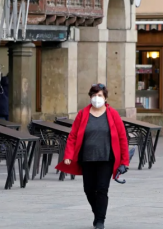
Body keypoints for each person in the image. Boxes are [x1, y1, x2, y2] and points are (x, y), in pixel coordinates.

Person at [55, 83, 129, 229]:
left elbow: (122, 138)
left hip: (106, 159)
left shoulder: (113, 114)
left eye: (100, 95)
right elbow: (73, 136)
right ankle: (97, 213)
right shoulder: (82, 114)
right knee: (89, 189)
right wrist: (68, 155)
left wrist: (124, 162)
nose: (96, 98)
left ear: (105, 98)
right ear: (90, 97)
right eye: (94, 95)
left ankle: (100, 221)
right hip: (87, 159)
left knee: (102, 189)